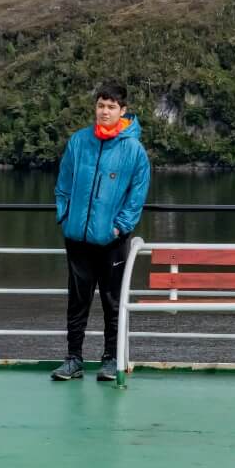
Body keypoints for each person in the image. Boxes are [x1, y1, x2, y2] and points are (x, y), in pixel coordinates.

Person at [51, 81, 150, 382]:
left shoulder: (133, 150)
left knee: (112, 301)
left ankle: (110, 359)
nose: (104, 111)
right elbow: (63, 183)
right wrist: (65, 216)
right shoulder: (79, 142)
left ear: (123, 111)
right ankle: (73, 359)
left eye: (111, 107)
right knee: (77, 301)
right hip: (77, 237)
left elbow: (137, 194)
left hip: (112, 240)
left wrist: (120, 226)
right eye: (100, 105)